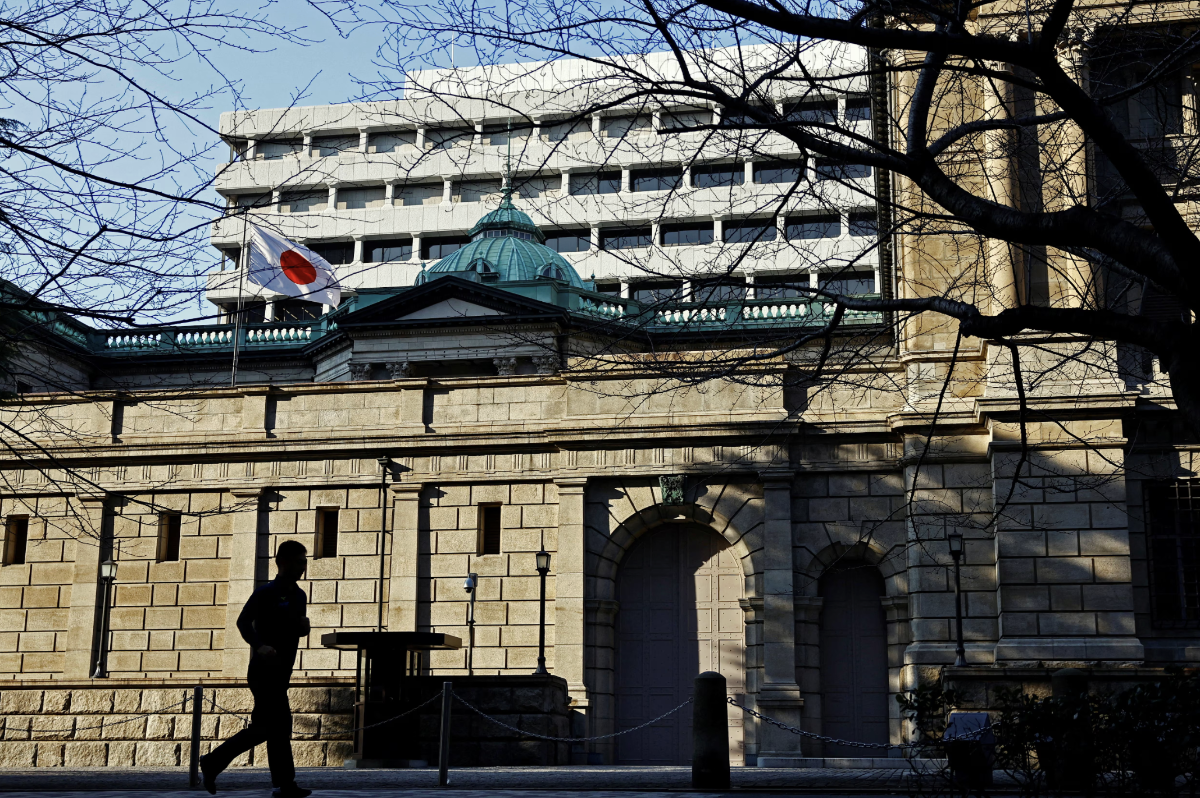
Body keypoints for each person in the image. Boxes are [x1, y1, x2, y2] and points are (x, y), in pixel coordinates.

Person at [201, 540, 312, 798]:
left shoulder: (299, 596)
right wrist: (259, 646)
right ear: (282, 561)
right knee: (275, 727)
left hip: (282, 671)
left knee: (271, 728)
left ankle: (216, 763)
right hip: (263, 672)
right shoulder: (266, 593)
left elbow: (295, 629)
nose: (303, 566)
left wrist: (304, 628)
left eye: (304, 562)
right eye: (298, 561)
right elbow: (243, 622)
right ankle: (282, 784)